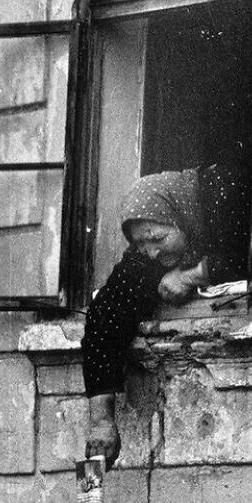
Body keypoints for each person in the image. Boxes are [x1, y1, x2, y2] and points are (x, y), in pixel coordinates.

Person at [83, 169, 219, 471]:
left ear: (181, 217)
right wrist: (102, 421)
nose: (153, 252)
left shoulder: (218, 207)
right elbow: (104, 315)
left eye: (159, 238)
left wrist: (191, 276)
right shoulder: (144, 257)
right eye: (142, 243)